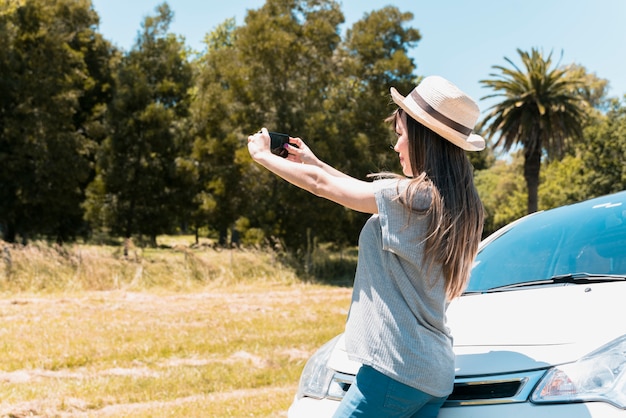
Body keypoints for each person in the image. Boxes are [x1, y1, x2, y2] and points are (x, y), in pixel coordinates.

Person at [247, 75, 485, 418]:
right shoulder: (450, 203)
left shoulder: (414, 197)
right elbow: (350, 187)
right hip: (432, 374)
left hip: (395, 371)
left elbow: (321, 187)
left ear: (424, 139)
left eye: (401, 136)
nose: (396, 147)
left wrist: (264, 157)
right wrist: (315, 163)